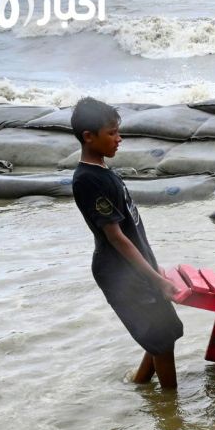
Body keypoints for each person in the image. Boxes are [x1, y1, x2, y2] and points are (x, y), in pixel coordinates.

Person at [71, 97, 183, 389]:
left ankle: (141, 385)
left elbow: (132, 231)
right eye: (111, 133)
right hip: (120, 273)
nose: (119, 139)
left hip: (135, 266)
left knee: (163, 333)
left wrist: (154, 268)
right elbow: (117, 238)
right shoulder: (87, 180)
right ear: (88, 136)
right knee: (160, 339)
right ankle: (172, 414)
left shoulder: (105, 172)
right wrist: (156, 280)